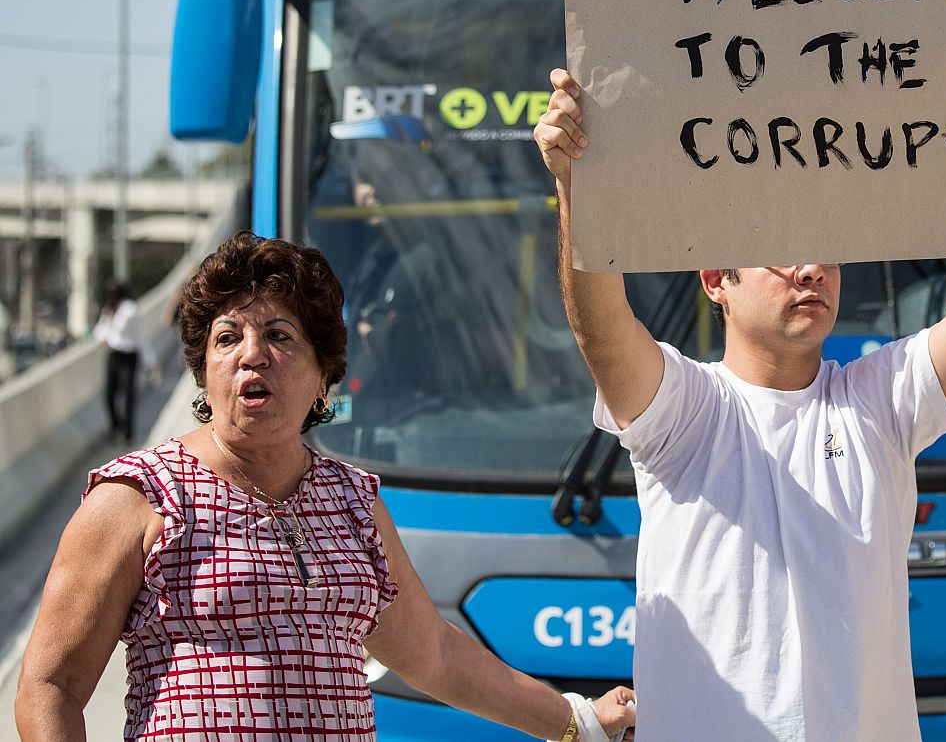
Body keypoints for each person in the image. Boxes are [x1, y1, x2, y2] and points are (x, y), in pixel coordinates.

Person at [534, 40, 946, 740]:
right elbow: (601, 330)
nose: (810, 268)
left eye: (823, 246)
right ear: (716, 279)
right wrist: (576, 186)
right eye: (780, 248)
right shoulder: (686, 411)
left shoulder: (881, 398)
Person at [15, 232, 635, 742]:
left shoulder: (353, 503)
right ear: (204, 372)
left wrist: (578, 720)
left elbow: (436, 656)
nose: (251, 355)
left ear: (322, 377)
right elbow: (51, 688)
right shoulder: (138, 499)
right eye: (227, 338)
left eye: (279, 336)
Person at [93, 281, 149, 445]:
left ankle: (128, 433)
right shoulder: (108, 309)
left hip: (129, 355)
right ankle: (116, 427)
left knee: (128, 395)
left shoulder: (129, 309)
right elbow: (100, 330)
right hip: (114, 355)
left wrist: (148, 360)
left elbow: (133, 334)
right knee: (110, 393)